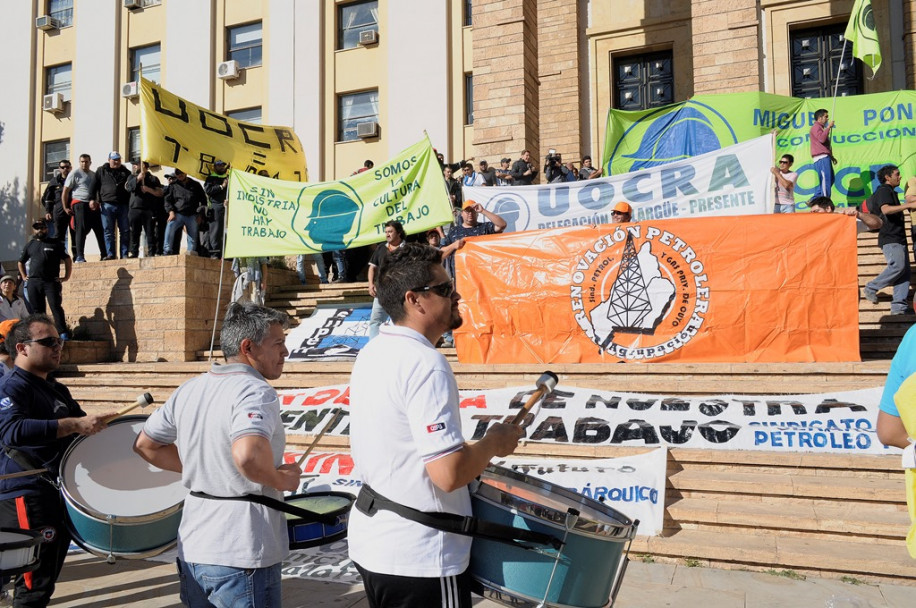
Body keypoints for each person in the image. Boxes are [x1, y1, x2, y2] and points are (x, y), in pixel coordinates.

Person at [348, 243, 524, 608]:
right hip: (422, 557)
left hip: (377, 544)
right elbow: (447, 473)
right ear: (415, 300)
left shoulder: (374, 351)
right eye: (444, 288)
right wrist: (493, 443)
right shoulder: (426, 363)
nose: (455, 293)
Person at [134, 302, 299, 608]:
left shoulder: (190, 388)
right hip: (242, 550)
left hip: (194, 548)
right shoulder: (255, 391)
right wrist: (282, 479)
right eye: (278, 344)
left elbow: (146, 445)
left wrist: (208, 467)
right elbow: (248, 455)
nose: (285, 353)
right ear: (248, 347)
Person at [0, 314, 109, 607]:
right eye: (47, 342)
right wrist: (73, 424)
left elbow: (79, 433)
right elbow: (10, 431)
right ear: (22, 348)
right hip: (25, 492)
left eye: (58, 340)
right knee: (32, 583)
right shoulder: (12, 386)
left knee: (43, 580)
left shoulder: (56, 389)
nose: (57, 347)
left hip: (52, 491)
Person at [863, 165, 911, 313]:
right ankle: (871, 286)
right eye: (897, 174)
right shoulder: (884, 190)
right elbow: (886, 210)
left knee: (904, 273)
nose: (900, 177)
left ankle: (899, 307)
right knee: (898, 266)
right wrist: (908, 205)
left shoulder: (891, 192)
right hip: (890, 237)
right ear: (887, 177)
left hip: (899, 237)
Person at [18, 220, 72, 339]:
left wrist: (66, 276)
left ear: (47, 229)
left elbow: (67, 259)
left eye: (42, 227)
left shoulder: (55, 244)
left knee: (55, 306)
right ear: (34, 230)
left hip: (51, 281)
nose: (39, 230)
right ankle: (42, 334)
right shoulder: (30, 245)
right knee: (37, 310)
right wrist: (23, 276)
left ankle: (62, 333)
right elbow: (20, 262)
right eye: (37, 228)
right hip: (34, 282)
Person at [440, 200, 508, 279]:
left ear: (477, 213)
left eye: (473, 210)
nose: (470, 213)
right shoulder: (453, 231)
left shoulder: (484, 228)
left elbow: (502, 225)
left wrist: (483, 211)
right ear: (462, 214)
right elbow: (441, 254)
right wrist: (453, 246)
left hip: (483, 277)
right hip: (461, 280)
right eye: (467, 211)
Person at [61, 154, 104, 263]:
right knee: (80, 230)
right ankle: (80, 256)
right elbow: (65, 192)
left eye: (86, 161)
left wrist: (97, 202)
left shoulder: (94, 175)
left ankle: (104, 254)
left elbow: (98, 191)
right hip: (80, 204)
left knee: (99, 229)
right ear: (79, 162)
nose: (84, 164)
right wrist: (65, 207)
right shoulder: (74, 174)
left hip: (93, 205)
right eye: (82, 161)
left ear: (90, 162)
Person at [367, 221, 406, 339]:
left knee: (400, 323)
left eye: (390, 232)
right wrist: (370, 284)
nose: (387, 235)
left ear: (399, 233)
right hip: (382, 291)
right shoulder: (381, 248)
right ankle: (373, 349)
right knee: (375, 322)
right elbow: (372, 267)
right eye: (386, 232)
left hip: (400, 293)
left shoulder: (408, 249)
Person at [92, 151, 132, 260]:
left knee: (125, 231)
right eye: (114, 159)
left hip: (123, 205)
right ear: (109, 160)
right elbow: (94, 186)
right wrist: (93, 199)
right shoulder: (101, 171)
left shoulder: (126, 172)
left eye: (118, 159)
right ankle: (111, 254)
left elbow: (130, 188)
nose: (117, 161)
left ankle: (124, 254)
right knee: (108, 231)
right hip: (107, 204)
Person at [163, 169, 207, 256]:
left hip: (192, 215)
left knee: (193, 236)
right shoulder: (173, 185)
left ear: (185, 173)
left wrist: (200, 214)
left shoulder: (196, 185)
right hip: (178, 214)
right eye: (177, 174)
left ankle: (191, 252)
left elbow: (203, 201)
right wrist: (171, 212)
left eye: (181, 173)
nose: (180, 175)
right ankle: (167, 250)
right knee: (170, 226)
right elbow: (167, 200)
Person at [126, 161, 164, 258]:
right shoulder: (131, 177)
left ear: (144, 166)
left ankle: (151, 252)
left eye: (136, 164)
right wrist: (138, 179)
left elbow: (160, 193)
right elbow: (128, 188)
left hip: (148, 209)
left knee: (150, 233)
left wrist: (148, 190)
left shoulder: (153, 179)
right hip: (134, 208)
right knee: (135, 232)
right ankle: (134, 253)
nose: (134, 166)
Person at [41, 160, 72, 250]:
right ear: (59, 169)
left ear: (70, 168)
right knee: (59, 234)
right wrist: (48, 211)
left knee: (75, 234)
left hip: (72, 211)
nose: (65, 169)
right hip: (59, 212)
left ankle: (76, 257)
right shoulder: (54, 181)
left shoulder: (75, 178)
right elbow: (46, 198)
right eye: (63, 167)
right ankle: (59, 255)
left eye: (67, 167)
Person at [808, 196, 882, 231]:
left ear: (828, 209)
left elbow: (877, 224)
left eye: (816, 211)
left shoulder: (845, 220)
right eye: (811, 213)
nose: (813, 215)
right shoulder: (811, 226)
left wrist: (859, 215)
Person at [203, 160, 230, 259]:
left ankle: (225, 254)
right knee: (216, 231)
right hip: (216, 206)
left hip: (228, 206)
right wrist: (222, 186)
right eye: (219, 165)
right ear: (214, 167)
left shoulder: (229, 178)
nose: (221, 167)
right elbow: (208, 190)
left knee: (225, 231)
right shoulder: (211, 178)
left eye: (223, 165)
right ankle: (214, 253)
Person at [810, 109, 836, 200]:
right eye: (826, 116)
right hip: (821, 158)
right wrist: (828, 127)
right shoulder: (816, 127)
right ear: (820, 118)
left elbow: (825, 144)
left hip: (825, 157)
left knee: (830, 179)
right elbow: (821, 139)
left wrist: (831, 156)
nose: (827, 118)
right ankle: (825, 202)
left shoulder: (820, 128)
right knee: (826, 181)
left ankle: (814, 199)